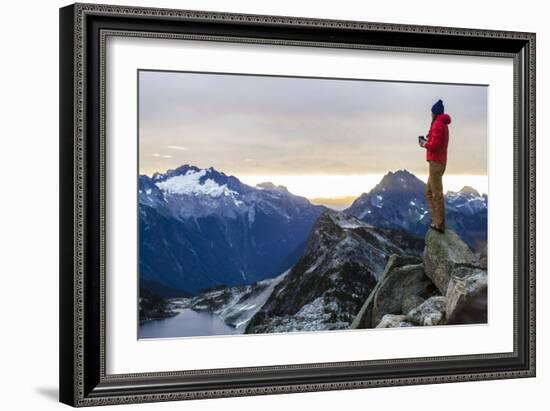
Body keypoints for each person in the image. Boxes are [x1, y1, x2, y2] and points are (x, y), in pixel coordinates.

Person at [419, 99, 452, 233]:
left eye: (431, 112)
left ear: (435, 113)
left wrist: (424, 144)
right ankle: (436, 221)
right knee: (429, 192)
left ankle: (439, 224)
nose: (430, 114)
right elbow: (436, 142)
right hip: (438, 162)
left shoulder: (438, 124)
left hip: (436, 163)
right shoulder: (441, 124)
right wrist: (428, 140)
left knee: (436, 193)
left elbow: (435, 145)